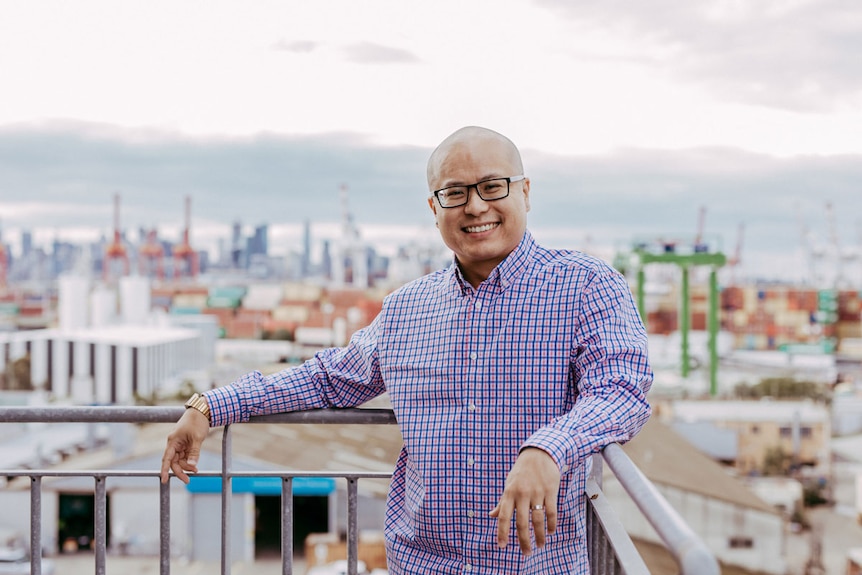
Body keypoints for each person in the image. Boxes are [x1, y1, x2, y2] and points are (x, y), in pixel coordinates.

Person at [161, 126, 653, 574]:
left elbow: (622, 389)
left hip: (535, 565)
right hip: (421, 563)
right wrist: (212, 406)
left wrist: (550, 446)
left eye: (492, 186)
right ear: (434, 209)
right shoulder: (406, 308)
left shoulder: (585, 284)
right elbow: (330, 377)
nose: (475, 206)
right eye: (455, 193)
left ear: (525, 191)